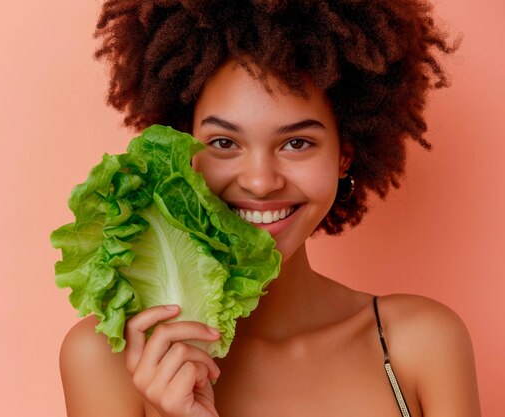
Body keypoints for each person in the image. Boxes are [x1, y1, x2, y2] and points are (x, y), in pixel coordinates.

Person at [59, 1, 481, 416]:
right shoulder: (105, 362)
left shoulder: (422, 344)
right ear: (184, 154)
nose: (260, 181)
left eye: (296, 143)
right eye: (224, 143)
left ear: (344, 157)